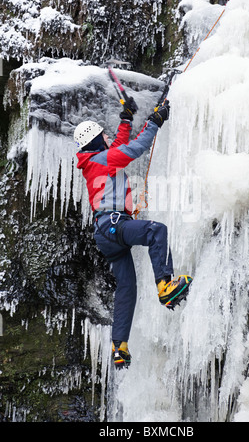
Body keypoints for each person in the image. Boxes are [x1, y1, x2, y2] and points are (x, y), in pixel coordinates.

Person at [74, 96, 192, 369]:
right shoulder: (103, 157)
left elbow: (118, 147)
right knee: (155, 231)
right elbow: (135, 148)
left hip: (105, 234)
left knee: (127, 287)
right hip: (114, 225)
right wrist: (154, 122)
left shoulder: (96, 159)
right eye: (103, 134)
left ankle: (120, 347)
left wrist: (125, 120)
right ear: (95, 141)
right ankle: (165, 285)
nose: (107, 137)